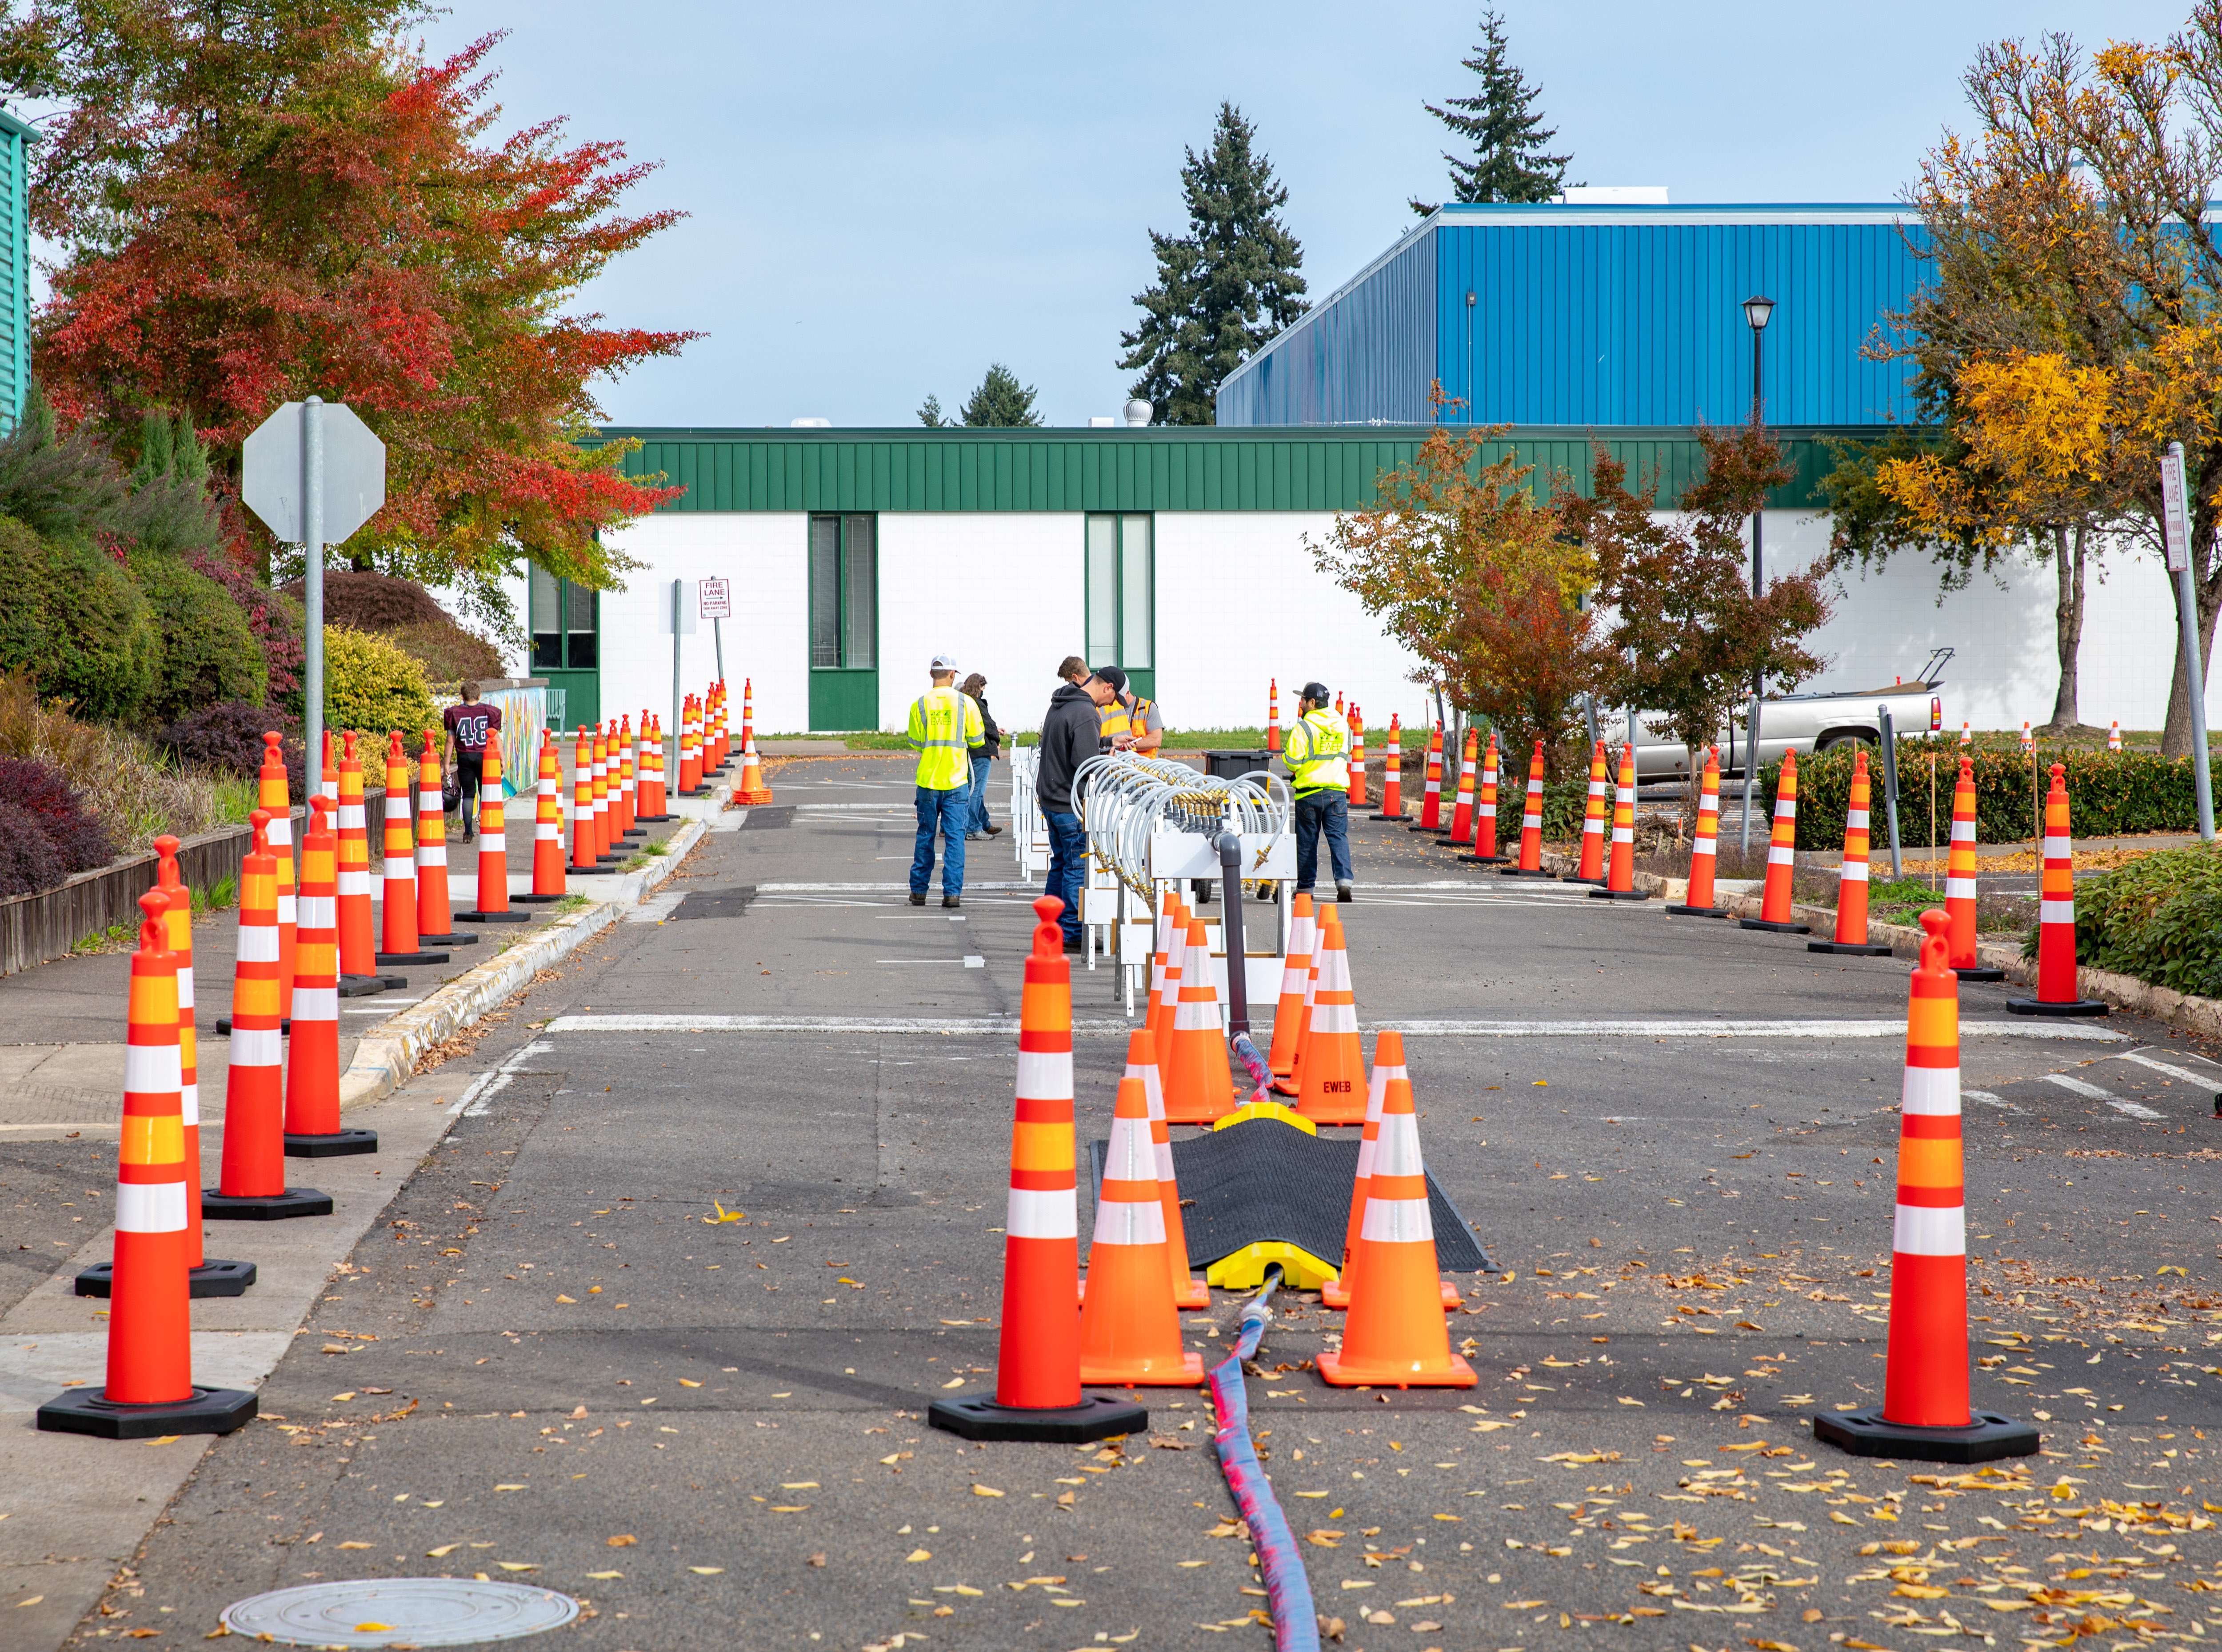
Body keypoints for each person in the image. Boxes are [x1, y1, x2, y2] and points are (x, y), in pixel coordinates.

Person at [1036, 660, 1115, 950]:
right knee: (1074, 867)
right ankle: (1070, 931)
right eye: (1111, 699)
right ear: (1107, 687)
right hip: (1069, 804)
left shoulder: (1062, 702)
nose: (1109, 705)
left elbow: (1069, 742)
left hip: (1051, 797)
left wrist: (1106, 741)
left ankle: (1050, 925)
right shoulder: (1086, 712)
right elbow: (1085, 766)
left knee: (1060, 863)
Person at [906, 654, 984, 908]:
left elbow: (917, 743)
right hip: (956, 783)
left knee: (926, 836)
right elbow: (977, 740)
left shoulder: (919, 705)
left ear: (931, 675)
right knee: (955, 840)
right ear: (953, 675)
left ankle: (919, 892)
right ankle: (952, 894)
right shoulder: (966, 703)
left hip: (928, 782)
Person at [1286, 680, 1353, 903]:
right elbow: (1348, 750)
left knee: (1307, 842)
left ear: (1313, 703)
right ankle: (1344, 882)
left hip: (1309, 795)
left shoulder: (1304, 727)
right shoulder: (1343, 725)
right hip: (1336, 793)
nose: (1301, 704)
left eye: (1303, 700)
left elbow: (1292, 761)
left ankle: (1306, 889)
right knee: (1338, 838)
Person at [441, 681, 502, 844]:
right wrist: (502, 759)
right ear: (480, 695)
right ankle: (486, 824)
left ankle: (468, 831)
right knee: (486, 792)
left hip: (465, 756)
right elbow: (496, 738)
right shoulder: (489, 711)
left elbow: (450, 741)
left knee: (468, 794)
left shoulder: (455, 713)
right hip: (485, 757)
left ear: (462, 696)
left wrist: (446, 763)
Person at [959, 672, 1002, 841]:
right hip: (982, 751)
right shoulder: (977, 703)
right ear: (978, 687)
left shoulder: (963, 702)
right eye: (983, 688)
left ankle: (983, 822)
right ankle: (973, 828)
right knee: (977, 791)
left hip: (970, 750)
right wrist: (996, 738)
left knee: (975, 789)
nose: (984, 691)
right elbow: (988, 724)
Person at [1093, 666, 1163, 756]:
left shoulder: (1148, 708)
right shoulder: (1109, 707)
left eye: (1117, 698)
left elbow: (1156, 740)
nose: (1114, 701)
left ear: (1127, 693)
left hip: (1146, 765)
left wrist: (1126, 745)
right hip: (1120, 762)